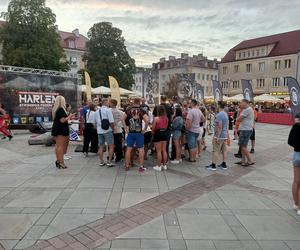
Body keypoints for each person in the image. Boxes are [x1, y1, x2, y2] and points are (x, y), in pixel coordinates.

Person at [124, 98, 149, 172]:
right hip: (139, 133)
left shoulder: (128, 110)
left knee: (129, 149)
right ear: (140, 102)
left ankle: (127, 165)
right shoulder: (142, 110)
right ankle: (141, 167)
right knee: (141, 149)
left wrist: (125, 128)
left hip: (131, 132)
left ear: (133, 102)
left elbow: (122, 118)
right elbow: (147, 120)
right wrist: (144, 129)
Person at [51, 96, 75, 169]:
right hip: (61, 129)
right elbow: (62, 120)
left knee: (58, 146)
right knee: (60, 146)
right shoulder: (61, 109)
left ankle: (59, 161)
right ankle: (61, 162)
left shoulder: (56, 109)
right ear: (62, 101)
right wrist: (69, 116)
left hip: (57, 128)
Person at [206, 101, 229, 171]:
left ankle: (213, 165)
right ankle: (224, 164)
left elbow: (219, 126)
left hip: (219, 135)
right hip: (224, 135)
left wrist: (217, 137)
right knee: (224, 150)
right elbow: (226, 125)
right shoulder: (225, 114)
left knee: (215, 150)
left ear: (219, 106)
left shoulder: (219, 115)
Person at [93, 98, 115, 167]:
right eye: (108, 102)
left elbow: (94, 123)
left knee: (101, 146)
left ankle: (101, 161)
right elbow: (111, 122)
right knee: (111, 146)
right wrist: (113, 129)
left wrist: (98, 129)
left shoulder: (96, 111)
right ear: (105, 103)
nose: (109, 104)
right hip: (108, 130)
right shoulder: (108, 110)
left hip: (99, 131)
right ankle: (109, 161)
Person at [235, 99, 255, 167]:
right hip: (246, 129)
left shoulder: (247, 110)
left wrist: (238, 112)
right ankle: (243, 160)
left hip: (245, 130)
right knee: (243, 146)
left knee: (243, 146)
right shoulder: (247, 109)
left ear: (245, 103)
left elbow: (238, 119)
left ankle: (250, 160)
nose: (240, 104)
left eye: (241, 103)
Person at [288, 113, 300, 215]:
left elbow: (290, 141)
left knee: (296, 181)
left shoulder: (296, 126)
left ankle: (296, 204)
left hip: (297, 154)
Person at [152, 105, 169, 171]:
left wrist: (153, 132)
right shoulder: (166, 118)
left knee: (158, 151)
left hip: (158, 133)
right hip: (164, 133)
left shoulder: (156, 119)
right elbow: (166, 127)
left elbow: (153, 128)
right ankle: (164, 165)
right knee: (164, 150)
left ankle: (159, 166)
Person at [109, 99, 125, 163]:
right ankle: (119, 157)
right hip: (118, 130)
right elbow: (123, 119)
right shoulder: (120, 112)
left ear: (112, 104)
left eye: (109, 103)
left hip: (110, 130)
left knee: (110, 144)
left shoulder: (108, 111)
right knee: (118, 144)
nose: (109, 104)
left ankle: (110, 156)